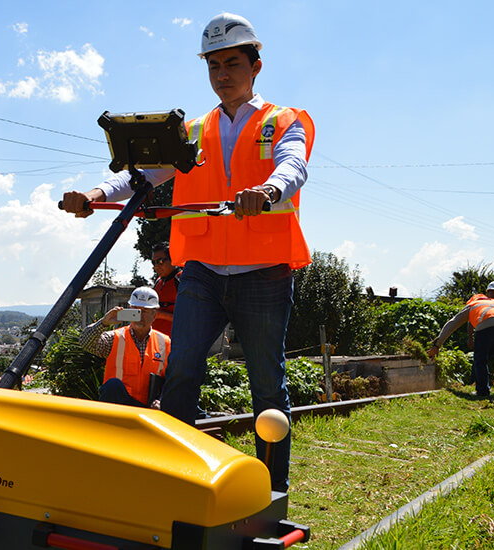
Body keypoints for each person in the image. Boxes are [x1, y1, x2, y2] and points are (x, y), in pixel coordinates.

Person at [61, 12, 313, 492]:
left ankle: (270, 492)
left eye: (232, 63)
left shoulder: (284, 121)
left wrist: (267, 190)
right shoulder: (193, 132)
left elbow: (293, 166)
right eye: (213, 65)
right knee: (181, 372)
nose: (222, 74)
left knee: (267, 385)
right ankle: (174, 483)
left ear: (256, 65)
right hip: (200, 273)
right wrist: (96, 194)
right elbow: (140, 176)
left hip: (264, 274)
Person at [426, 281, 494, 398]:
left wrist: (437, 345)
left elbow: (452, 324)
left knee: (480, 360)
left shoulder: (473, 305)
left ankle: (482, 392)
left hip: (485, 327)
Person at [80, 287, 170, 408]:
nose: (139, 315)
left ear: (154, 315)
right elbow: (86, 343)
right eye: (136, 310)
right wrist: (104, 323)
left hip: (149, 409)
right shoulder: (114, 338)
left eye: (144, 311)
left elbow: (171, 379)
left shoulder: (165, 343)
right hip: (119, 408)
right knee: (113, 385)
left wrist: (161, 400)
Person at [150, 242, 182, 336]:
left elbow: (191, 318)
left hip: (176, 343)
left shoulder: (182, 280)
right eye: (154, 262)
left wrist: (161, 315)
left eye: (160, 261)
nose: (156, 266)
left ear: (172, 259)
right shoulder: (158, 282)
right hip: (156, 343)